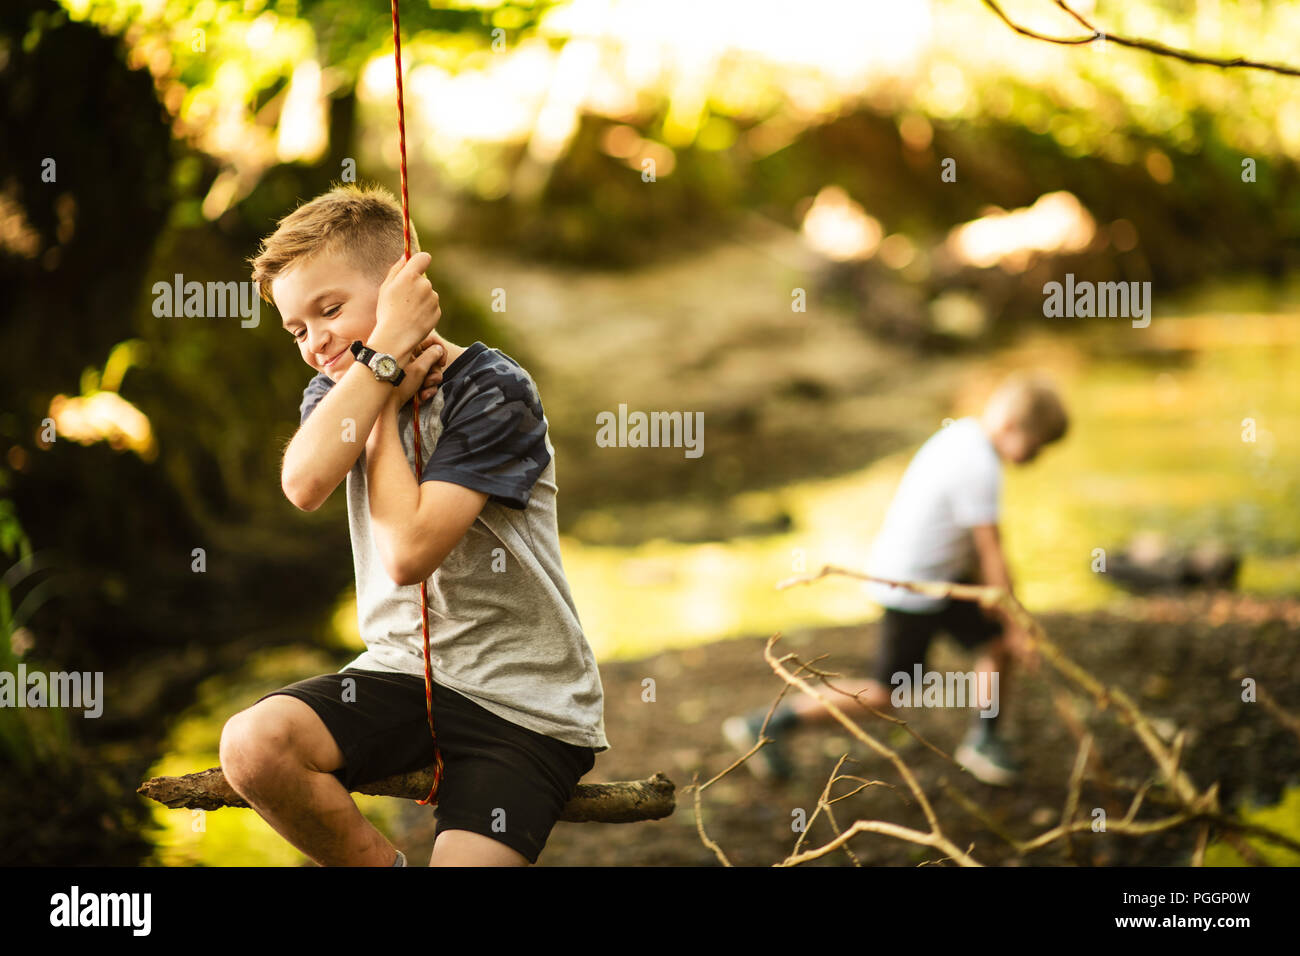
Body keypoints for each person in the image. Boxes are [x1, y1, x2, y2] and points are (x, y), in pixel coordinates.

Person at [220, 183, 608, 866]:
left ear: (405, 285)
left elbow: (408, 554)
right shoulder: (340, 388)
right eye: (297, 330)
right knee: (252, 745)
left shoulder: (492, 390)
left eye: (330, 310)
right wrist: (381, 371)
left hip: (521, 703)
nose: (315, 343)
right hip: (403, 676)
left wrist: (387, 412)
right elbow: (304, 484)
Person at [725, 372, 1068, 786]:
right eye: (1036, 447)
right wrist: (1017, 624)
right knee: (889, 692)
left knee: (992, 645)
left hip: (941, 580)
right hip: (910, 585)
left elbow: (975, 551)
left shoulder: (965, 437)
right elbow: (992, 551)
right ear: (1012, 427)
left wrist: (1007, 623)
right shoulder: (979, 465)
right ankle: (766, 724)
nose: (1036, 457)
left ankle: (984, 742)